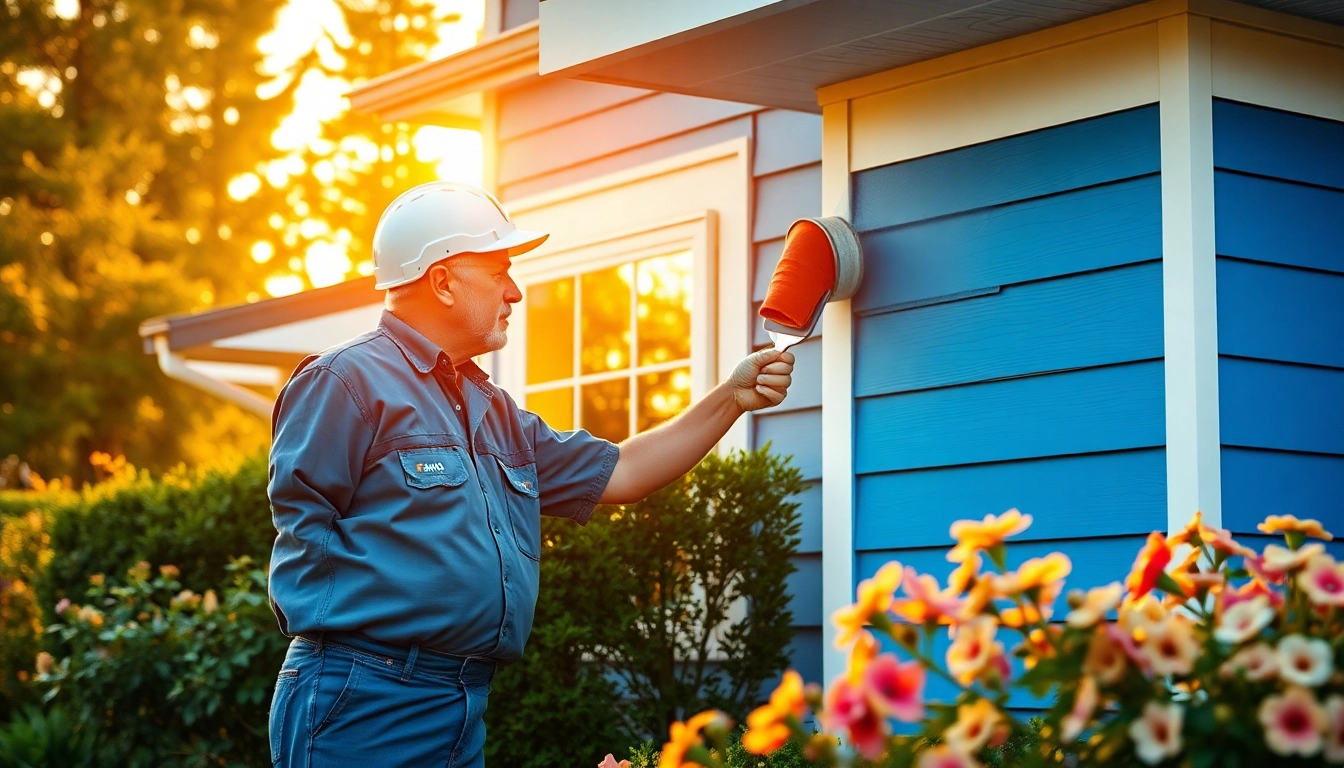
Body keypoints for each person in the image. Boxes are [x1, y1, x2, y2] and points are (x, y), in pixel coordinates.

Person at [266, 182, 795, 767]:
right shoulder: (343, 381)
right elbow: (303, 534)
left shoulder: (492, 410)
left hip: (460, 699)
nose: (515, 292)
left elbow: (625, 471)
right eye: (499, 272)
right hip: (364, 698)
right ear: (443, 281)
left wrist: (732, 396)